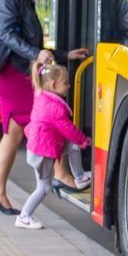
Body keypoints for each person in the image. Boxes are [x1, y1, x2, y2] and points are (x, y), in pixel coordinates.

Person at [0, 0, 88, 215]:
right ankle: (60, 173)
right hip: (11, 74)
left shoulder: (25, 2)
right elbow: (7, 36)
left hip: (17, 72)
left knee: (14, 132)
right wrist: (36, 54)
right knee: (48, 118)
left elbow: (30, 45)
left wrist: (64, 54)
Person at [16, 60, 92, 230]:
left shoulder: (42, 95)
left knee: (73, 146)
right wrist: (85, 140)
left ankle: (79, 177)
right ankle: (24, 216)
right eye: (65, 83)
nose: (69, 86)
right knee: (43, 188)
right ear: (54, 84)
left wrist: (79, 141)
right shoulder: (53, 107)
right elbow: (68, 129)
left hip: (44, 146)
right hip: (42, 151)